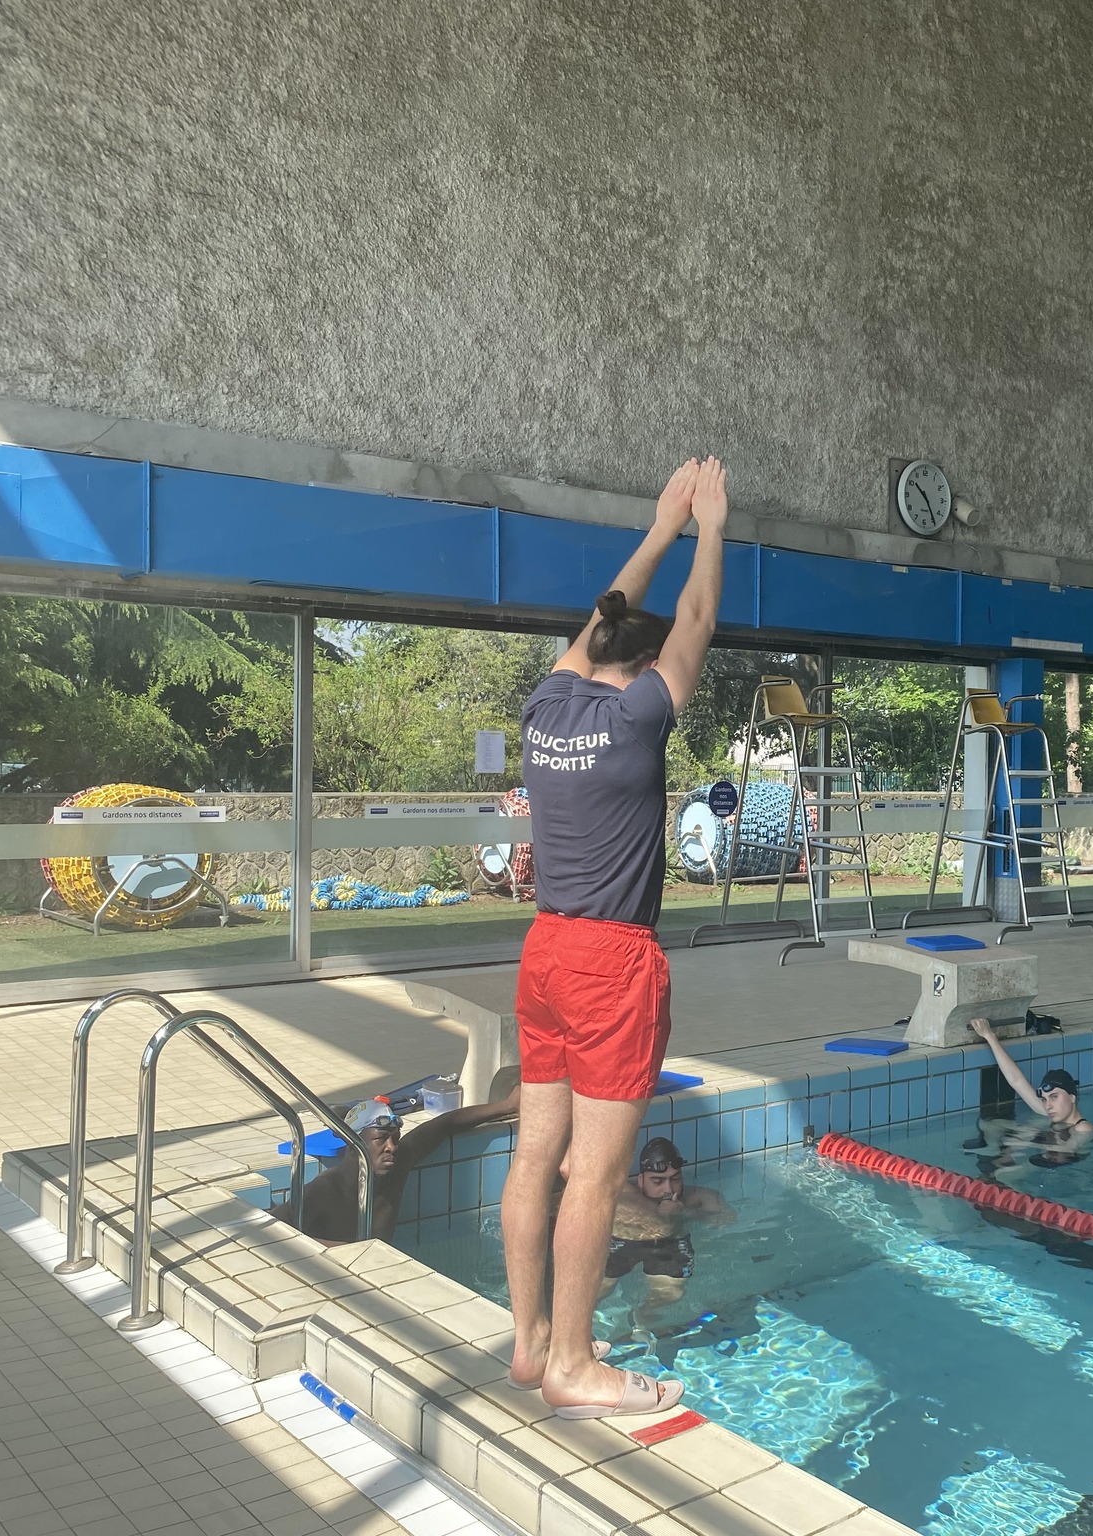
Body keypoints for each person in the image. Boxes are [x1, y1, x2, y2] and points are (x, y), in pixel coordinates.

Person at [501, 456, 728, 1420]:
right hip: (610, 962)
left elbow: (606, 619)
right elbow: (698, 618)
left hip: (545, 951)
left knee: (534, 1156)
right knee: (593, 1172)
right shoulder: (638, 717)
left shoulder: (546, 706)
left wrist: (662, 525)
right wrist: (711, 526)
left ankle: (529, 1344)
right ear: (645, 665)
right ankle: (575, 1363)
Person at [291, 1089, 519, 1244]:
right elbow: (274, 1230)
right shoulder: (326, 1189)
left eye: (395, 1138)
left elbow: (445, 1124)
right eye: (381, 1139)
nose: (391, 1147)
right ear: (353, 1144)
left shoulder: (397, 1167)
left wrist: (507, 1106)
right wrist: (346, 1252)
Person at [601, 1137, 734, 1331]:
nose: (668, 1189)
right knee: (599, 1289)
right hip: (626, 1241)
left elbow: (728, 1219)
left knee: (671, 1294)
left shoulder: (698, 1197)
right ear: (641, 1180)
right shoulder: (626, 1194)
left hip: (670, 1244)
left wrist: (683, 1213)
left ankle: (641, 1319)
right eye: (657, 1181)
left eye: (675, 1179)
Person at [963, 1016, 1093, 1168]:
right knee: (991, 1124)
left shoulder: (1084, 1127)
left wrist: (1026, 1140)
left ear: (1072, 1097)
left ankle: (999, 1163)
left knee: (1023, 1140)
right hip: (1047, 1161)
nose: (1048, 1105)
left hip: (1066, 1169)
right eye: (1045, 1099)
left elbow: (1066, 1150)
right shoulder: (1050, 1113)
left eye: (1054, 1097)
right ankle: (994, 1152)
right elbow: (1016, 1080)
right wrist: (989, 1036)